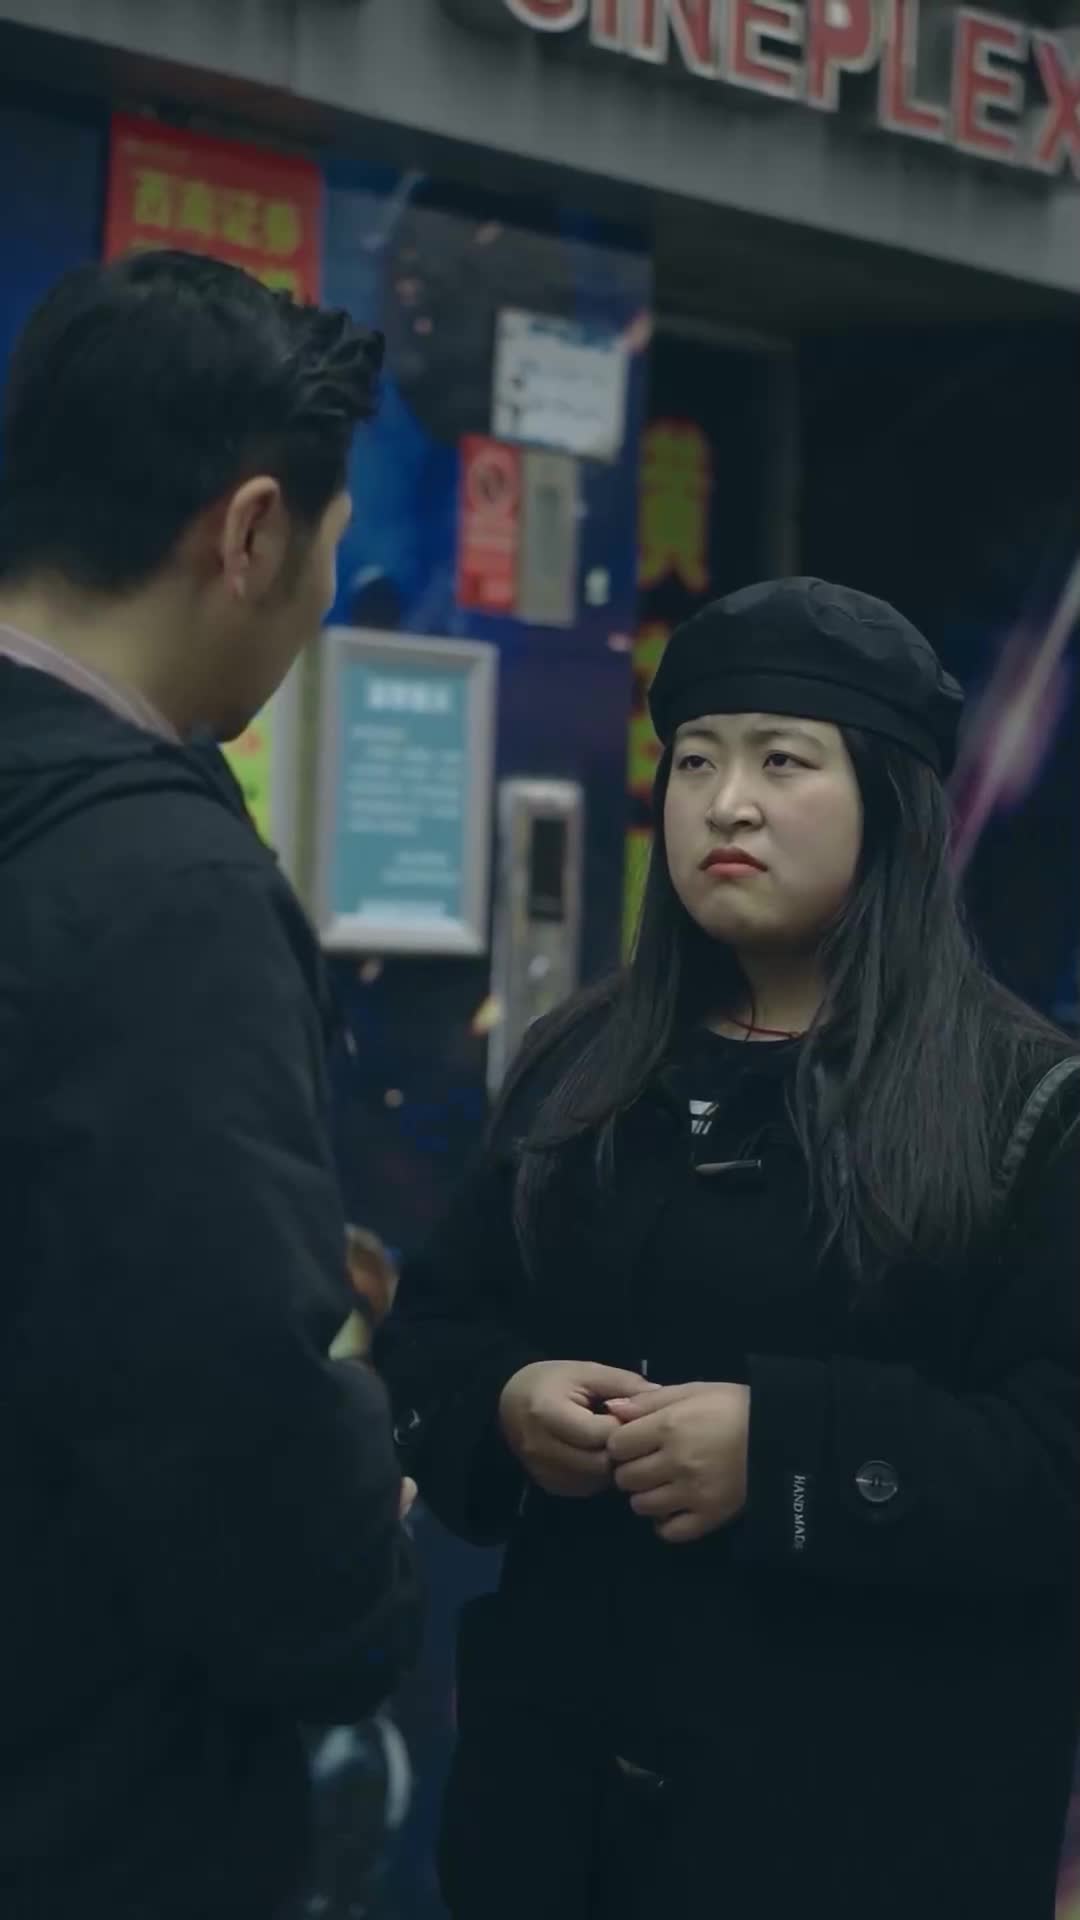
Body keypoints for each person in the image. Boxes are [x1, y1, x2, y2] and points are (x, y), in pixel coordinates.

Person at [376, 578, 1080, 1920]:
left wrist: (786, 1453)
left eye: (783, 761)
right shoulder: (584, 1067)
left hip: (862, 1833)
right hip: (562, 1827)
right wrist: (507, 1405)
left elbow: (1058, 1455)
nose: (727, 804)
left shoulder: (1023, 1108)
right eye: (695, 760)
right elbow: (436, 1333)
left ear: (892, 804)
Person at [0, 252, 422, 1920]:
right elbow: (222, 1380)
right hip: (92, 1792)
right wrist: (363, 1562)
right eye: (327, 552)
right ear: (249, 534)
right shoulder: (163, 887)